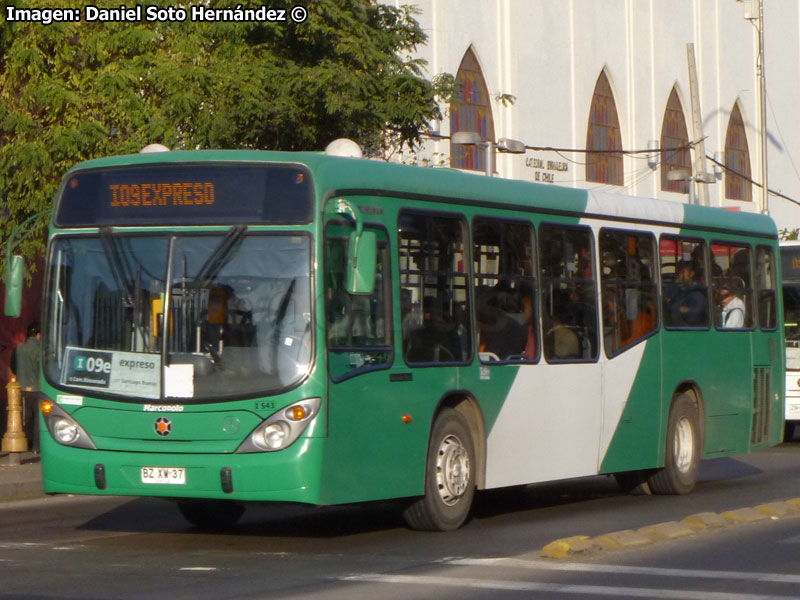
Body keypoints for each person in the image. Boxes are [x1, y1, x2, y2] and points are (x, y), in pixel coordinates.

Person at [10, 322, 41, 453]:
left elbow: (13, 366)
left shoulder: (19, 348)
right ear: (39, 335)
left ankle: (25, 445)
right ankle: (36, 447)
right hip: (38, 389)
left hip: (22, 388)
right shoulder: (42, 349)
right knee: (38, 420)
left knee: (24, 418)